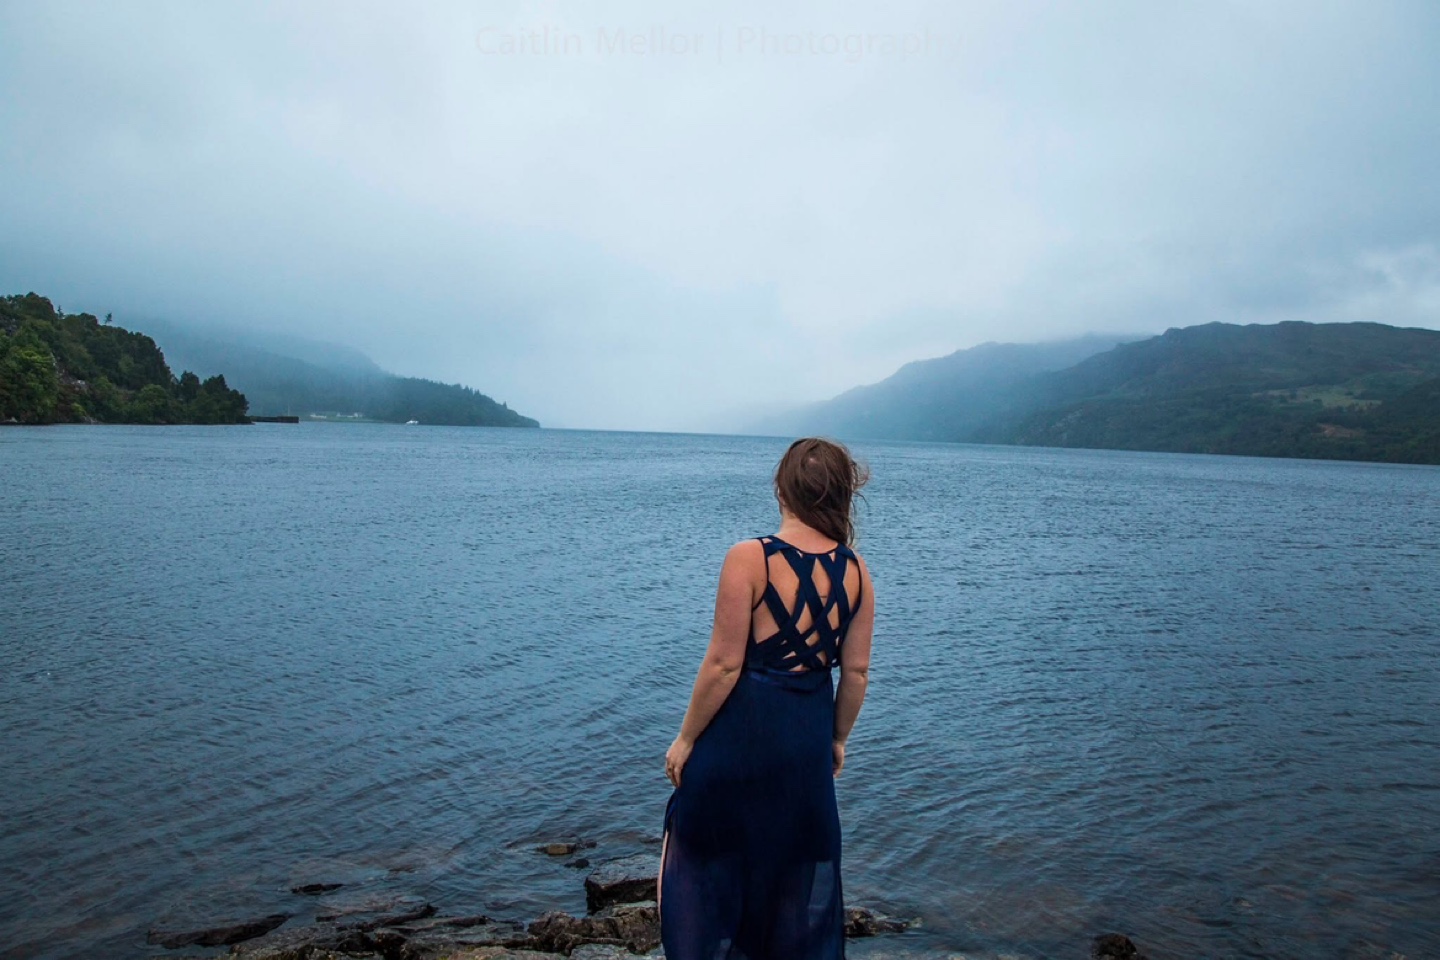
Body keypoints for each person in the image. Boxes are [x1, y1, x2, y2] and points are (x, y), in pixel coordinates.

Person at [659, 437, 875, 960]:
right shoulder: (857, 572)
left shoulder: (749, 558)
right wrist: (838, 740)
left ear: (782, 489)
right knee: (791, 873)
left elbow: (724, 663)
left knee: (692, 846)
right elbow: (858, 674)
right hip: (804, 742)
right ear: (841, 496)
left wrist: (686, 738)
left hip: (740, 738)